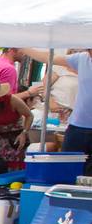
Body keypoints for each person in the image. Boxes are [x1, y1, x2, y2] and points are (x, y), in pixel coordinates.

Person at [20, 47, 92, 176]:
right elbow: (48, 57)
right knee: (67, 169)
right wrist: (23, 47)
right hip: (77, 126)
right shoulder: (82, 58)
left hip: (77, 125)